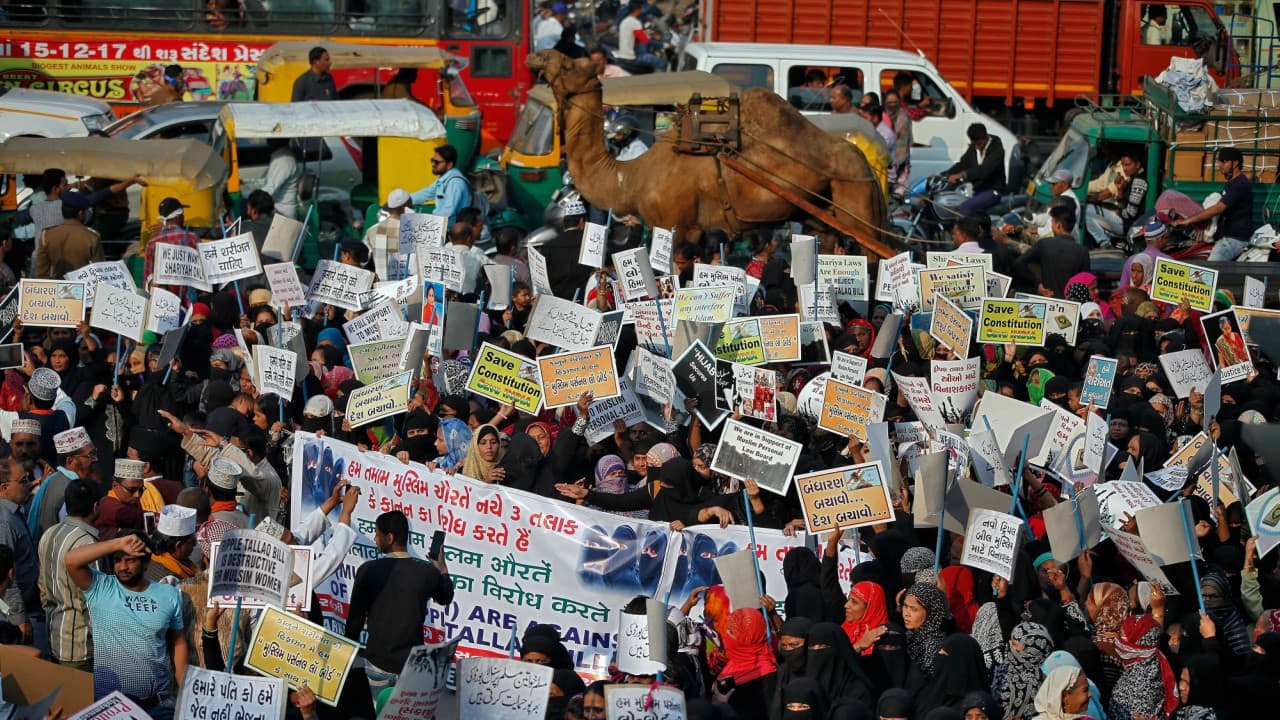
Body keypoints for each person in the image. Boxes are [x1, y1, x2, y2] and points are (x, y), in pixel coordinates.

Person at [65, 532, 186, 718]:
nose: (122, 567)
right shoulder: (101, 587)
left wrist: (185, 689)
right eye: (118, 560)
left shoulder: (169, 594)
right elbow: (71, 560)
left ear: (146, 563)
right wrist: (117, 543)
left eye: (130, 560)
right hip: (111, 707)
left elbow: (178, 643)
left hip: (159, 705)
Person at [345, 510, 454, 697]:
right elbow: (446, 597)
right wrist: (442, 568)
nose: (375, 538)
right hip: (411, 668)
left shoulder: (368, 570)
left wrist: (346, 657)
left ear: (390, 537)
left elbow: (355, 619)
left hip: (377, 664)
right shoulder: (426, 573)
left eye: (377, 534)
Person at [38, 477, 99, 671]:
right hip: (81, 647)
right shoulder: (88, 544)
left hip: (54, 637)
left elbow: (42, 586)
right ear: (96, 506)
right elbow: (95, 602)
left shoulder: (50, 534)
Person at [1175, 146, 1254, 261]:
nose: (1220, 164)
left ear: (1235, 163)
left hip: (1234, 240)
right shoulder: (1231, 182)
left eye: (1224, 161)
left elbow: (1218, 208)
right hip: (1225, 236)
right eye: (1219, 161)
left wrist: (1188, 220)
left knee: (1211, 270)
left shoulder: (1239, 185)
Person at [1014, 204, 1091, 298]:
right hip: (1070, 306)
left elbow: (1019, 263)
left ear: (1058, 225)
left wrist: (1037, 284)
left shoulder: (1045, 244)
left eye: (1052, 222)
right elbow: (1087, 281)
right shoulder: (1082, 251)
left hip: (1048, 301)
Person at [0, 457, 37, 651]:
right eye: (23, 481)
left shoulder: (13, 512)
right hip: (14, 617)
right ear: (4, 488)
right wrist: (19, 617)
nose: (29, 484)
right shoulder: (4, 520)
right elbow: (4, 572)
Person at [1084, 151, 1148, 249]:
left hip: (1129, 225)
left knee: (1087, 211)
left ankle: (1105, 245)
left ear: (1138, 164)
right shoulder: (1132, 178)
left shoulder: (1139, 182)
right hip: (1124, 220)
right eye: (1123, 165)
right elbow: (1123, 203)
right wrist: (1120, 190)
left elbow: (1131, 213)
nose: (1124, 168)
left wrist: (1118, 211)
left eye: (1128, 165)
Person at [34, 191, 102, 279]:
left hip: (57, 288)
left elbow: (41, 273)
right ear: (80, 213)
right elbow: (99, 271)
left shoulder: (46, 235)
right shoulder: (92, 237)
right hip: (84, 287)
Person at [945, 123, 1007, 216]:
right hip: (977, 189)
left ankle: (966, 230)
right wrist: (944, 175)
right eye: (975, 144)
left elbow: (984, 170)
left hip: (992, 191)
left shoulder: (997, 149)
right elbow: (963, 164)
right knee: (952, 202)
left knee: (965, 207)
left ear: (985, 137)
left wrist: (962, 175)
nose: (977, 147)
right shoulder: (974, 146)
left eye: (979, 144)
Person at [144, 197, 200, 288]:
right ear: (178, 217)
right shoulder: (192, 238)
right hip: (188, 295)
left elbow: (147, 277)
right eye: (182, 215)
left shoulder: (152, 243)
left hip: (163, 298)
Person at [410, 145, 472, 228]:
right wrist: (404, 200)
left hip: (456, 232)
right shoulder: (444, 179)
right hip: (444, 226)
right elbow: (425, 193)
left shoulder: (455, 183)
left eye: (437, 162)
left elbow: (447, 211)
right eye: (432, 160)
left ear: (449, 164)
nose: (433, 164)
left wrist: (425, 224)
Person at [617, 0, 665, 72]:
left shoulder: (624, 21)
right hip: (632, 58)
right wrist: (664, 45)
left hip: (622, 56)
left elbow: (635, 35)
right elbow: (645, 40)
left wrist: (648, 33)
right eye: (641, 9)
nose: (642, 10)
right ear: (637, 10)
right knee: (662, 63)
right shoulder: (635, 22)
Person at [260, 138, 302, 220]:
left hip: (282, 212)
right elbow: (268, 182)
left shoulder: (284, 160)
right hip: (276, 207)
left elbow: (270, 189)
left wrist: (252, 200)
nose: (267, 139)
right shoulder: (279, 156)